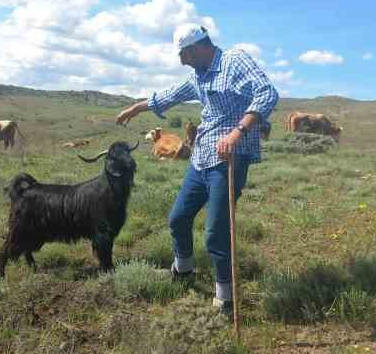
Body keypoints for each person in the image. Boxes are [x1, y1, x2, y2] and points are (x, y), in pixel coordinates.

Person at [116, 23, 278, 315]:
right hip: (201, 157)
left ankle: (225, 298)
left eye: (185, 54)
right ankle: (184, 270)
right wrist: (135, 108)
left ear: (201, 46)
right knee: (177, 218)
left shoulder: (234, 61)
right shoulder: (198, 75)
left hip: (230, 158)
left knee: (216, 233)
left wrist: (237, 132)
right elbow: (168, 95)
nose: (182, 61)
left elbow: (267, 94)